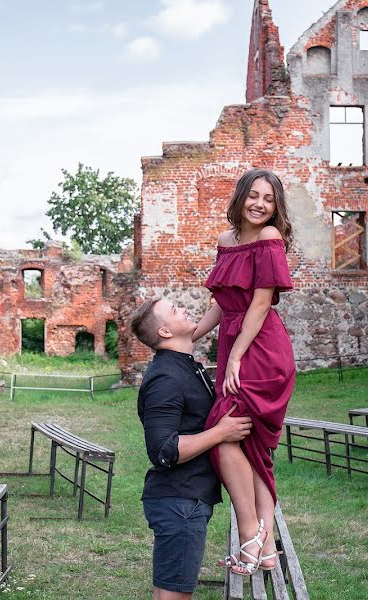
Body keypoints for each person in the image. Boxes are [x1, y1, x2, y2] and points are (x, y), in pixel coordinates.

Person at [192, 168, 295, 576]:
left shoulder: (270, 240)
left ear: (275, 207)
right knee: (252, 451)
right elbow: (225, 301)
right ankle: (266, 547)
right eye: (253, 196)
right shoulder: (225, 241)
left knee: (224, 433)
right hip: (234, 343)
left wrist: (234, 357)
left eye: (268, 199)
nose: (259, 204)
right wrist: (191, 335)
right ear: (240, 198)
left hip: (261, 349)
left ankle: (250, 531)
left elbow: (259, 304)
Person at [131, 297, 254, 600]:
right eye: (174, 310)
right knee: (174, 595)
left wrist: (229, 296)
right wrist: (220, 433)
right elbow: (163, 450)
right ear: (164, 333)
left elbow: (201, 324)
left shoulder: (181, 364)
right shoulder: (165, 377)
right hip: (179, 501)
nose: (184, 309)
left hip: (185, 499)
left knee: (169, 592)